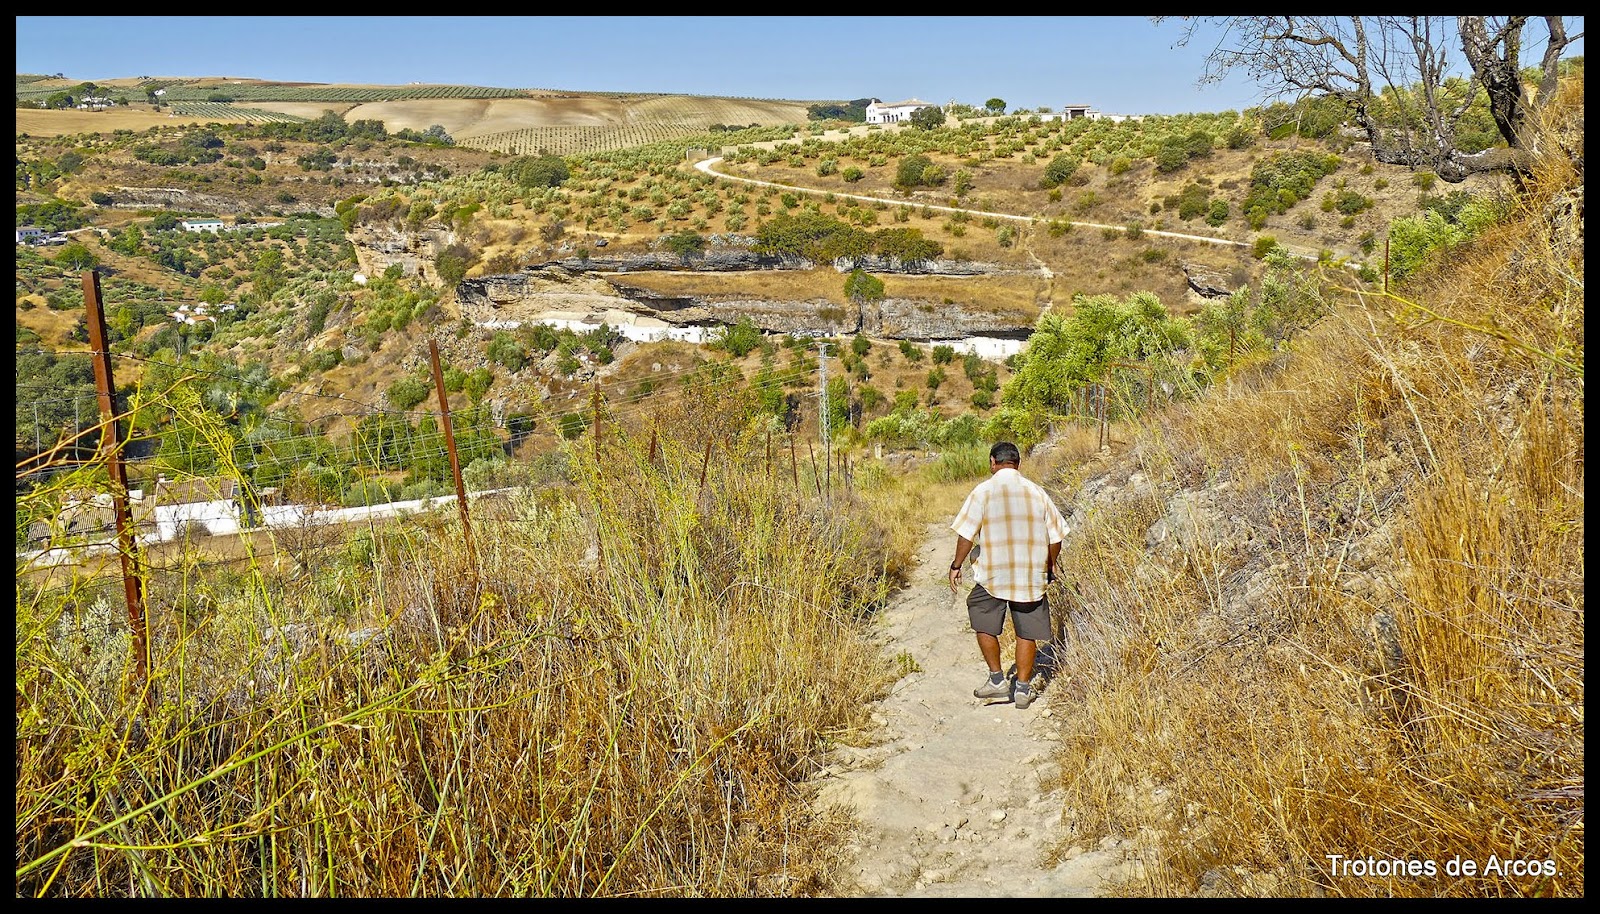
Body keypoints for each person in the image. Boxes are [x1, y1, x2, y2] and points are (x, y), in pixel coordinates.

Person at [947, 441, 1067, 710]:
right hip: (1030, 574)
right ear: (1018, 463)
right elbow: (1056, 536)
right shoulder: (1036, 492)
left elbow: (966, 534)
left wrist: (956, 565)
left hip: (993, 574)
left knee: (981, 616)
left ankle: (997, 679)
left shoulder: (983, 492)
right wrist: (1049, 565)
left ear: (993, 462)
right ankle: (1022, 689)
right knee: (1027, 631)